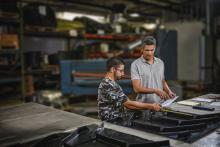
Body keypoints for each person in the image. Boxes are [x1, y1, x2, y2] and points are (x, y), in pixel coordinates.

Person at [97, 57, 161, 122]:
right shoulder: (109, 85)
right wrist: (151, 106)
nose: (123, 74)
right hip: (112, 123)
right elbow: (128, 104)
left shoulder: (107, 83)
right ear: (113, 69)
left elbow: (126, 103)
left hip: (113, 121)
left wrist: (148, 106)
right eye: (121, 71)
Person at [131, 36, 176, 104]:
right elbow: (137, 88)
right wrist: (155, 91)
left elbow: (162, 81)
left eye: (152, 50)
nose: (149, 53)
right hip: (144, 105)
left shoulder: (160, 63)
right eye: (147, 50)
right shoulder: (135, 65)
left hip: (160, 104)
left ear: (155, 49)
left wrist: (169, 91)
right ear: (142, 49)